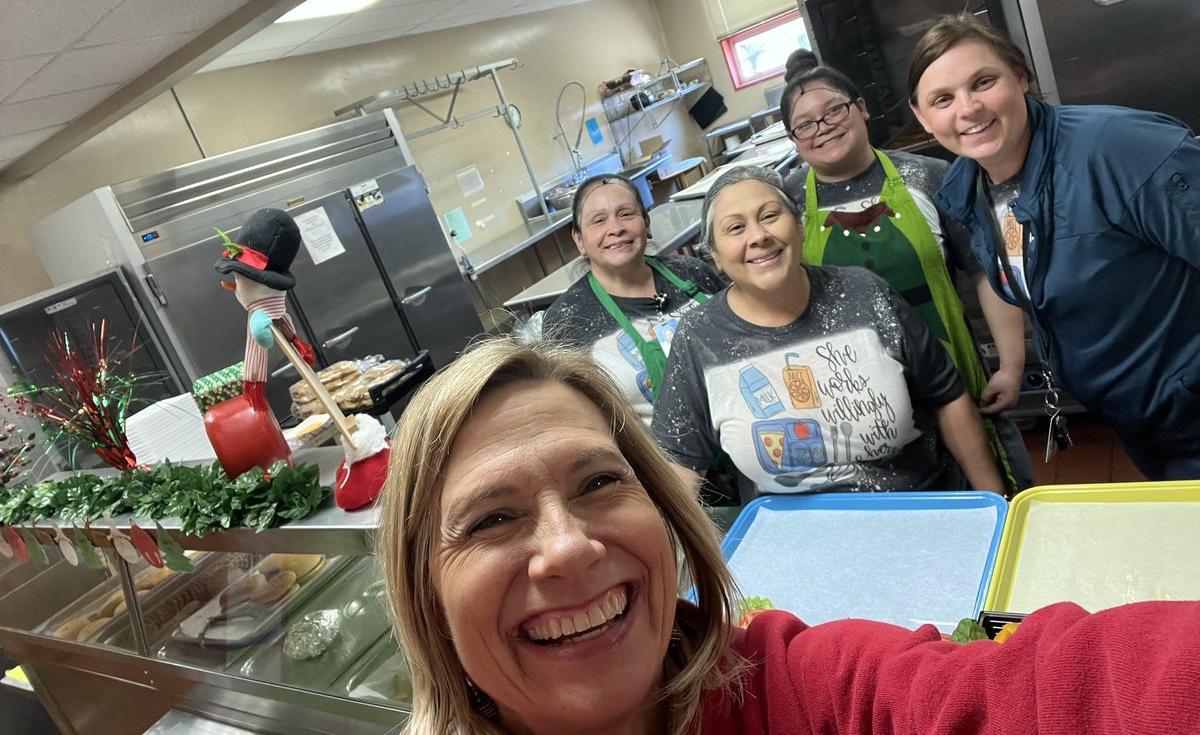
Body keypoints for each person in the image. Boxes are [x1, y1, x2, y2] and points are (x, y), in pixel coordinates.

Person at [376, 335, 1200, 735]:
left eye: (599, 483)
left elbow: (1047, 691)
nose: (570, 547)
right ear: (423, 595)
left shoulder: (797, 689)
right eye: (491, 519)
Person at [908, 14, 1200, 480]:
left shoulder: (1118, 149)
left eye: (983, 82)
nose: (967, 109)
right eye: (942, 99)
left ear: (1020, 77)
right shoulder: (970, 190)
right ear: (923, 118)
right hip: (1136, 415)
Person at [652, 165, 1004, 502]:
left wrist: (995, 504)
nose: (758, 236)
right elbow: (681, 464)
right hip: (796, 537)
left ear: (800, 227)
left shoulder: (865, 293)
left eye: (770, 216)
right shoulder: (698, 337)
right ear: (714, 255)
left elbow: (948, 398)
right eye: (735, 228)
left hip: (916, 505)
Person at [780, 63, 1033, 494]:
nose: (821, 129)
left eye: (834, 111)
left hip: (955, 378)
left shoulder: (929, 177)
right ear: (793, 139)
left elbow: (984, 274)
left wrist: (1011, 364)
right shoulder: (785, 201)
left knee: (994, 496)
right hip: (854, 399)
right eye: (804, 125)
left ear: (862, 109)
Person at [541, 173, 725, 426]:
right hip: (664, 461)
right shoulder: (569, 319)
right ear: (580, 240)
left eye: (627, 214)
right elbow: (580, 419)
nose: (616, 228)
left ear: (646, 223)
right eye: (598, 220)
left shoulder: (691, 272)